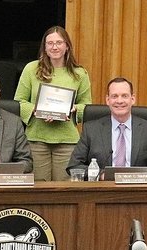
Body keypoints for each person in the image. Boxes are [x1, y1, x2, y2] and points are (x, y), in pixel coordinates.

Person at [14, 26, 93, 181]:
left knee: (64, 188)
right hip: (36, 140)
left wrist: (73, 109)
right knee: (37, 187)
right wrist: (37, 110)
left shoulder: (80, 73)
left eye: (59, 42)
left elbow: (86, 106)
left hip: (67, 141)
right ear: (44, 47)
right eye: (50, 43)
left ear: (67, 46)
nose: (54, 47)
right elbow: (19, 102)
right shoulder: (31, 69)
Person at [67, 78, 147, 180]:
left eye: (124, 96)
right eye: (114, 96)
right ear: (108, 100)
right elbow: (74, 166)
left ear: (132, 99)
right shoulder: (91, 129)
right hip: (103, 187)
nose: (119, 101)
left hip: (138, 187)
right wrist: (101, 175)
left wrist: (137, 177)